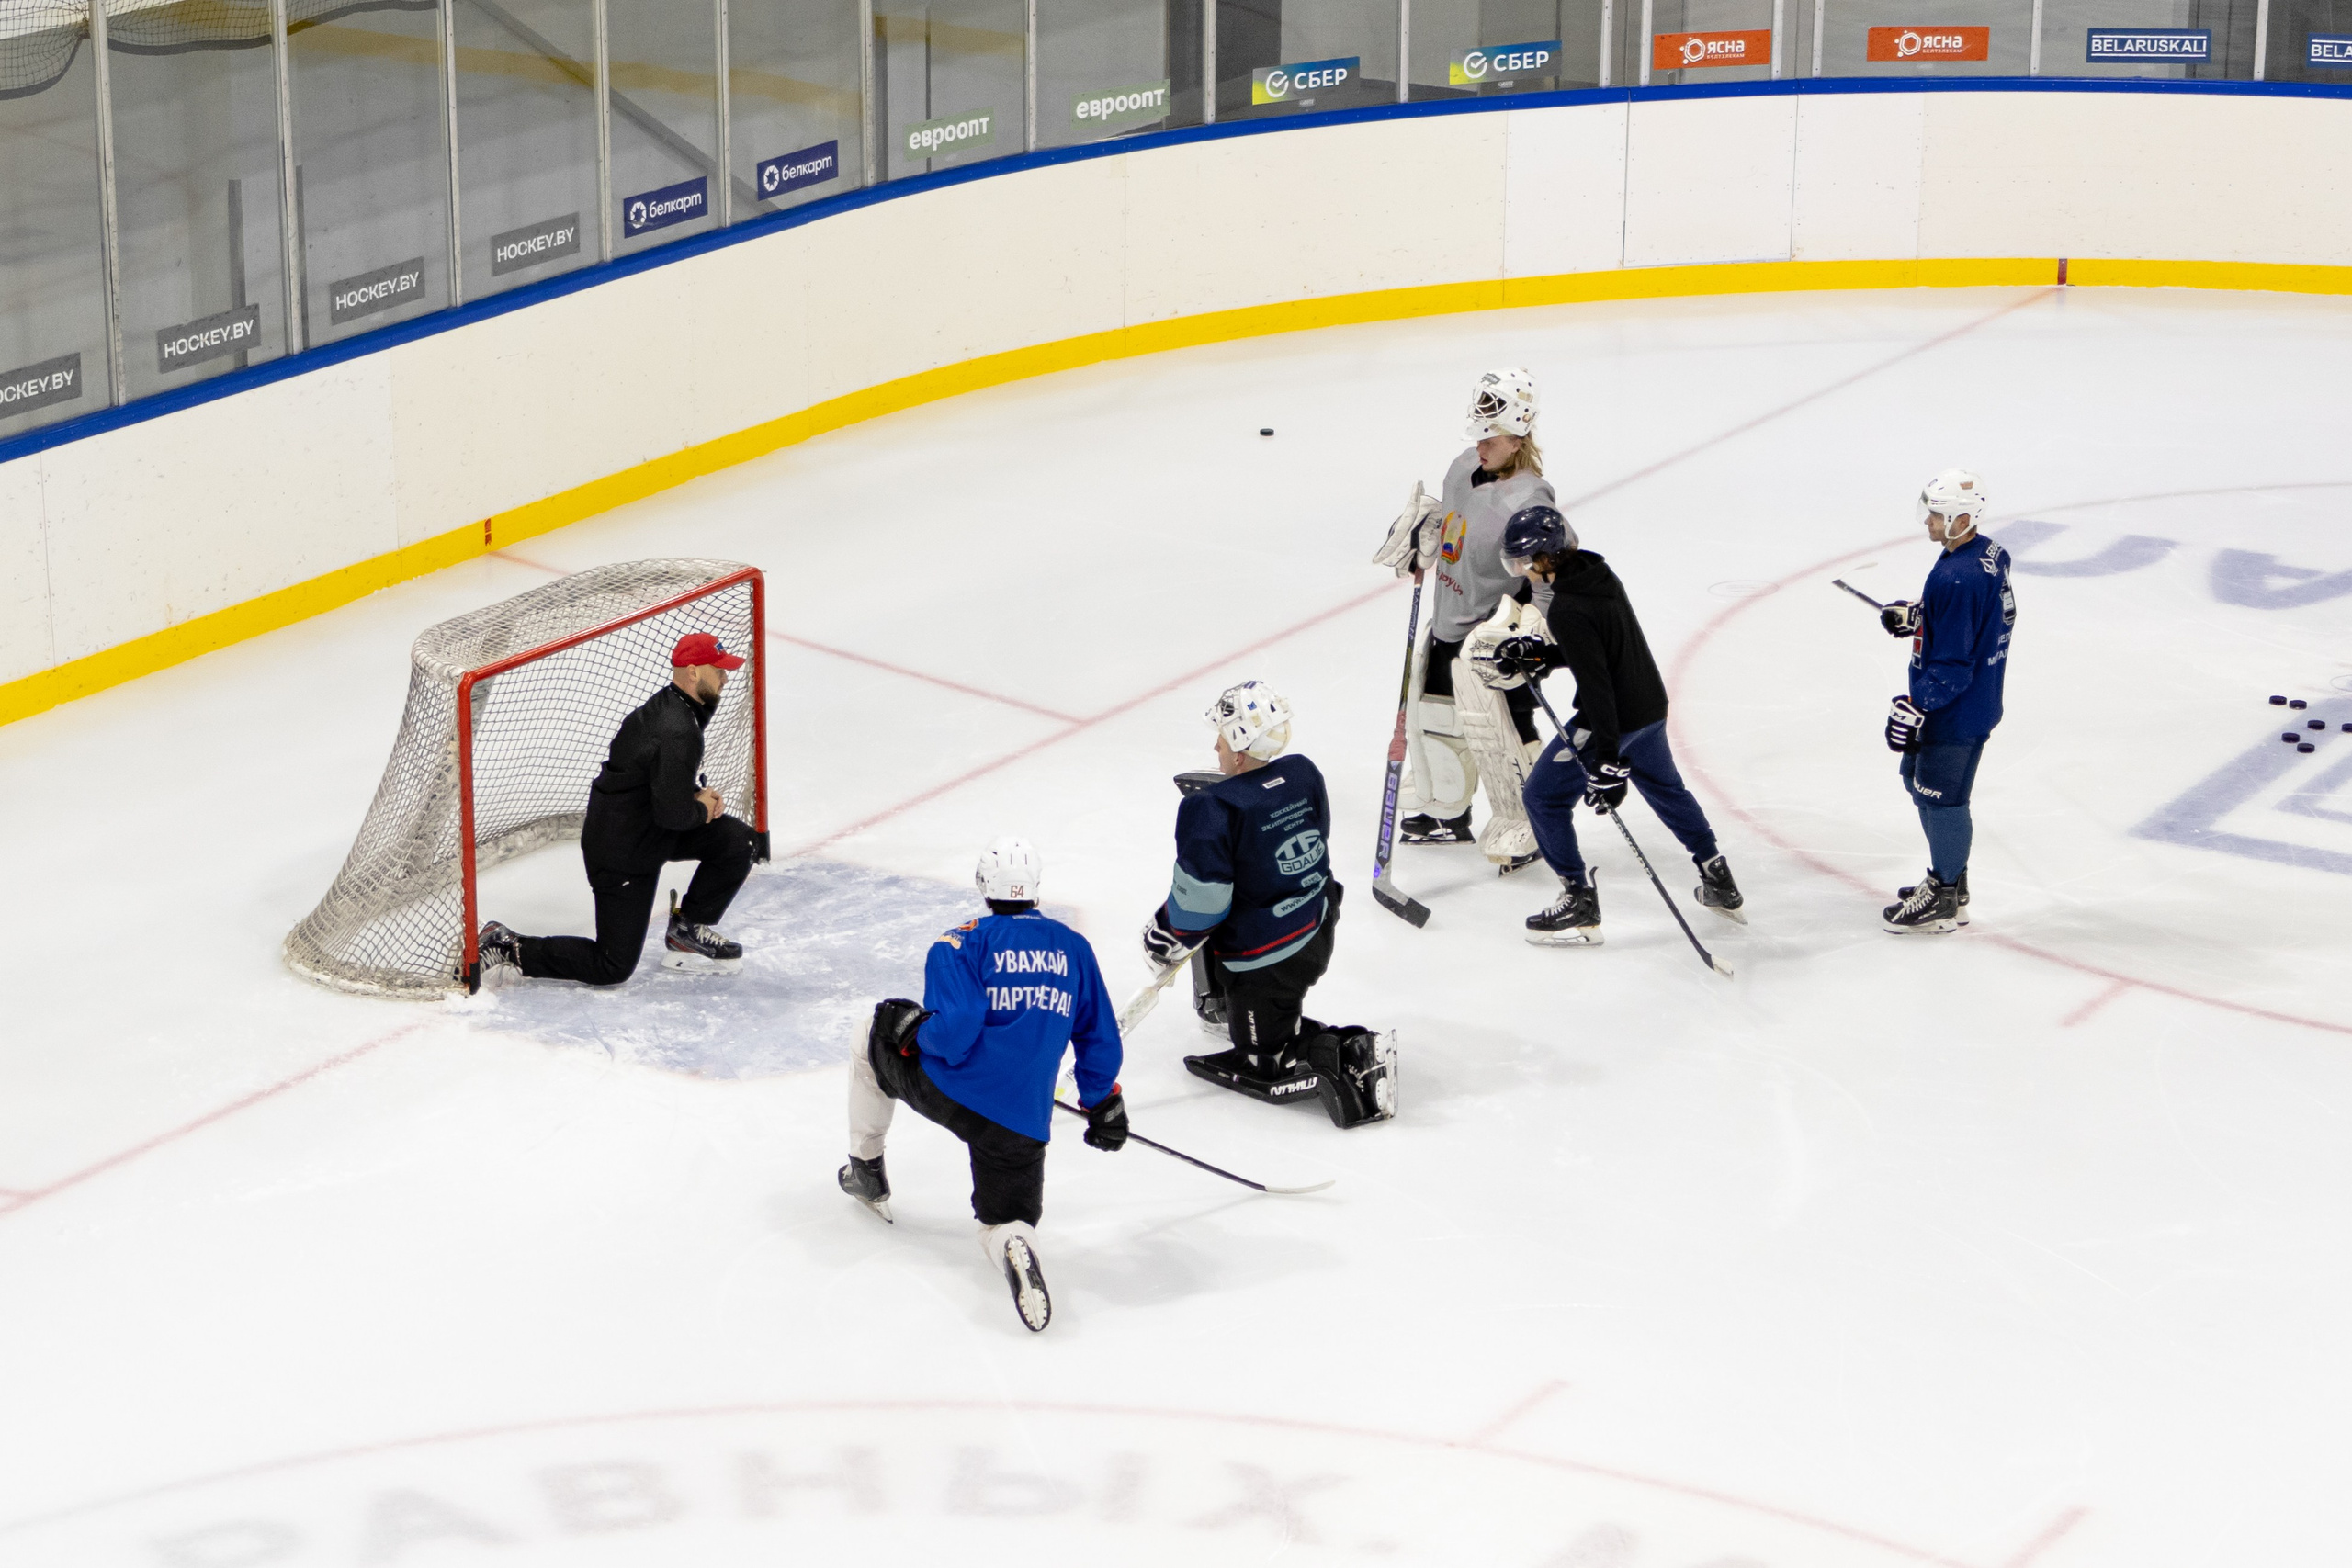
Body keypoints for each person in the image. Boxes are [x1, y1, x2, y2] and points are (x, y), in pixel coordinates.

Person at [837, 838, 1125, 1334]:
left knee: (873, 1030)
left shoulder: (960, 941)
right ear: (1035, 888)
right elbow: (1099, 1036)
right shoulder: (1074, 949)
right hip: (1022, 1119)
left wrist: (914, 1029)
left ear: (983, 886)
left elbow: (953, 1033)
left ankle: (866, 1169)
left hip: (953, 1092)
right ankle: (1016, 1243)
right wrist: (1102, 1104)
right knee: (1004, 1220)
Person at [1478, 506, 1744, 945]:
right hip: (1648, 709)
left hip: (1615, 719)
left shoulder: (1566, 607)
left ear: (1544, 557)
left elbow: (1597, 686)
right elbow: (1599, 651)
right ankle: (1716, 874)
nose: (1522, 572)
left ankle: (1578, 898)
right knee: (1667, 790)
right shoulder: (1596, 573)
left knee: (1541, 796)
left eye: (1525, 562)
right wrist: (1544, 656)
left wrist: (1605, 759)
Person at [1142, 681, 1396, 1129]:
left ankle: (1306, 1051)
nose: (1214, 746)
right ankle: (1237, 1008)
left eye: (1220, 737)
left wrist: (1164, 935)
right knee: (1255, 941)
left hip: (1265, 959)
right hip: (1317, 929)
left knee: (1261, 1056)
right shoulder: (1302, 772)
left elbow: (1201, 903)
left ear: (1238, 752)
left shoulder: (1210, 810)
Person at [476, 631, 759, 986]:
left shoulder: (679, 707)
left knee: (739, 842)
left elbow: (662, 787)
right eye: (717, 670)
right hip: (621, 850)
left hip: (651, 828)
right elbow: (673, 815)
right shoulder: (676, 729)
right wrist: (700, 808)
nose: (726, 677)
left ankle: (687, 930)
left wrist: (697, 796)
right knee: (612, 966)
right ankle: (509, 946)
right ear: (692, 673)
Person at [1370, 367, 1555, 869]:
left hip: (1493, 636)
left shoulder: (1530, 498)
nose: (1480, 446)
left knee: (1505, 731)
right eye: (1477, 435)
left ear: (1517, 439)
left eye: (1490, 438)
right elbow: (1453, 523)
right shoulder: (1460, 468)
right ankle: (1448, 812)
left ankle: (1533, 821)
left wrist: (1534, 633)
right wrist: (1425, 537)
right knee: (1436, 719)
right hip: (1447, 620)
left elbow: (1549, 571)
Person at [1876, 468, 2015, 933]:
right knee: (1917, 781)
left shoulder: (1957, 577)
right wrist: (1919, 616)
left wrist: (1921, 704)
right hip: (1967, 702)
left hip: (1954, 709)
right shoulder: (1985, 554)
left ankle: (1944, 892)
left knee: (1943, 799)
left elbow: (1955, 663)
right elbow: (1973, 621)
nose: (1928, 523)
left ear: (1960, 518)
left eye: (1936, 516)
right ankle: (1950, 874)